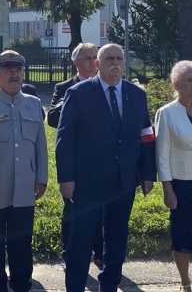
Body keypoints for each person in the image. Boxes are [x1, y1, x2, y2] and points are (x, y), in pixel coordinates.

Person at [56, 43, 156, 292]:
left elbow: (146, 135)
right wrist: (66, 178)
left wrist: (147, 173)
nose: (115, 63)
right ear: (98, 64)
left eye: (119, 59)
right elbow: (64, 139)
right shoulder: (79, 93)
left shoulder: (136, 94)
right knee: (80, 242)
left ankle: (109, 285)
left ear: (124, 63)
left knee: (117, 240)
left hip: (123, 181)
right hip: (87, 182)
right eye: (109, 58)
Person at [0, 50, 48, 292]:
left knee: (22, 246)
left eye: (18, 69)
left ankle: (21, 286)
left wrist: (42, 177)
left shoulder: (34, 104)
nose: (14, 73)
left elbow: (41, 146)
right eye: (8, 69)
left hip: (25, 188)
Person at [47, 42, 103, 269]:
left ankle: (101, 254)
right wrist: (71, 100)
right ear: (76, 62)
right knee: (72, 210)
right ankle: (70, 253)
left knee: (102, 209)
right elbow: (51, 118)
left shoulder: (106, 85)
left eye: (95, 57)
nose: (92, 62)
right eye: (87, 58)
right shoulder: (64, 87)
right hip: (75, 161)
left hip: (102, 160)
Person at [155, 60, 192, 292]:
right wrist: (167, 188)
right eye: (190, 80)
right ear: (178, 84)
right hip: (181, 184)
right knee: (182, 236)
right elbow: (161, 155)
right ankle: (185, 281)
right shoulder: (166, 113)